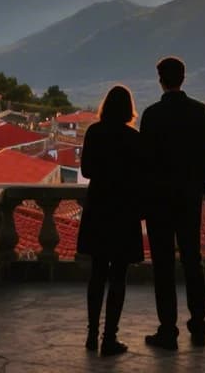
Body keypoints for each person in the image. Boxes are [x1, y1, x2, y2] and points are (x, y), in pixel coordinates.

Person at [140, 56, 205, 350]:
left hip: (159, 201)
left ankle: (168, 329)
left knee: (163, 265)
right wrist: (199, 189)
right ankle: (198, 324)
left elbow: (144, 161)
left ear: (160, 79)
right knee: (192, 260)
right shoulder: (201, 113)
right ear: (183, 78)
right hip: (188, 198)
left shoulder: (152, 115)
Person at [76, 85, 146, 356]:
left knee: (96, 274)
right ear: (129, 109)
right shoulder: (134, 138)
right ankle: (109, 338)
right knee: (118, 277)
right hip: (124, 210)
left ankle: (91, 334)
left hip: (99, 207)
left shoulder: (94, 132)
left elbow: (87, 169)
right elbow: (141, 175)